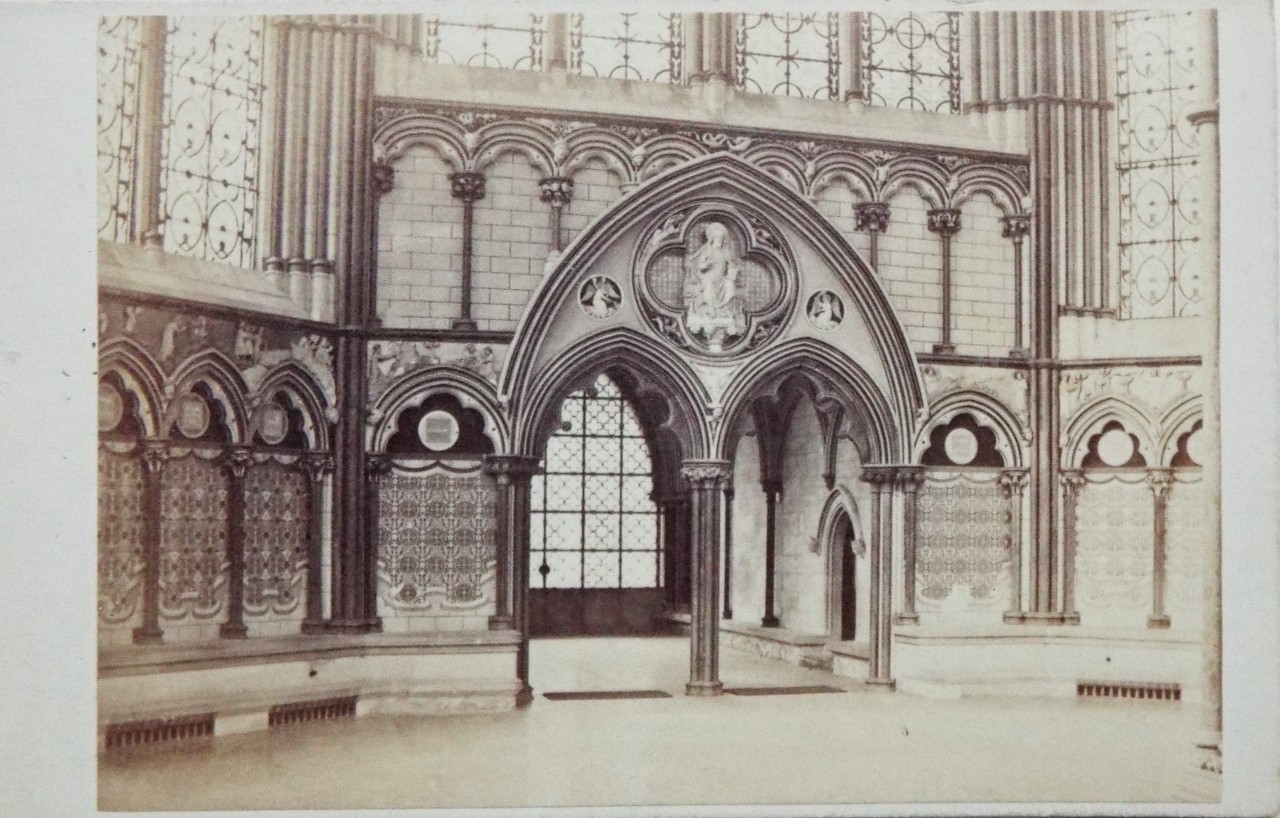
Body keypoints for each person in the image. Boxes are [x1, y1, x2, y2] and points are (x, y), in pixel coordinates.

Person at [683, 222, 746, 343]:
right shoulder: (707, 251)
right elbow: (700, 266)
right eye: (717, 238)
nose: (719, 241)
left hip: (722, 279)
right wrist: (706, 264)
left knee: (729, 286)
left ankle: (723, 309)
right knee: (709, 285)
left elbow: (731, 265)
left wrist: (731, 275)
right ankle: (710, 310)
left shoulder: (726, 252)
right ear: (712, 239)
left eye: (721, 239)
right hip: (708, 278)